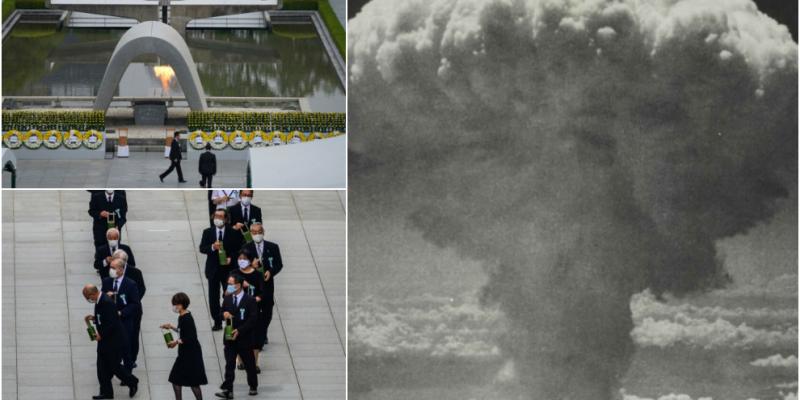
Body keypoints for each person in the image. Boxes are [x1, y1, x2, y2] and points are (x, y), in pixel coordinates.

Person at [83, 284, 139, 399]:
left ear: (93, 294)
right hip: (104, 341)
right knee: (101, 368)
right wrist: (94, 318)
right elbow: (105, 317)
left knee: (115, 367)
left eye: (88, 297)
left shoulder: (106, 302)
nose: (88, 300)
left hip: (113, 342)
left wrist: (101, 334)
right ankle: (106, 393)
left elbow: (113, 323)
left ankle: (132, 382)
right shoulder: (99, 300)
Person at [216, 273, 259, 399]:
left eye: (231, 284)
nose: (228, 286)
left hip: (244, 338)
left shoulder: (249, 300)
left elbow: (253, 319)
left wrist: (240, 330)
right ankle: (228, 390)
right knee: (229, 364)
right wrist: (223, 314)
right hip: (229, 338)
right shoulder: (228, 298)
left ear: (239, 285)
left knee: (249, 364)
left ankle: (253, 385)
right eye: (228, 283)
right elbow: (220, 313)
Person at [199, 209, 243, 331]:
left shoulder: (232, 232)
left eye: (220, 216)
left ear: (226, 219)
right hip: (213, 270)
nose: (217, 218)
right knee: (213, 297)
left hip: (228, 272)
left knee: (228, 295)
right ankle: (217, 320)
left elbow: (239, 249)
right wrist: (213, 247)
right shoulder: (208, 232)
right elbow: (202, 248)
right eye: (216, 216)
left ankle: (230, 318)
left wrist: (231, 258)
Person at [161, 292, 208, 400]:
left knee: (187, 381)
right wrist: (171, 327)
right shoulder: (182, 316)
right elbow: (182, 331)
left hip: (190, 355)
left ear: (182, 304)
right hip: (186, 354)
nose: (175, 307)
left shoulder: (187, 318)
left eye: (177, 304)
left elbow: (190, 337)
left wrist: (176, 342)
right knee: (183, 381)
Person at [242, 223, 282, 346]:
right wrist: (251, 266)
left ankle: (263, 332)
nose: (257, 234)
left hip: (267, 286)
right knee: (254, 312)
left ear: (263, 232)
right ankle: (258, 335)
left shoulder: (273, 247)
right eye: (254, 232)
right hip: (253, 287)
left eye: (259, 231)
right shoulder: (246, 248)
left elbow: (279, 264)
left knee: (267, 313)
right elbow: (241, 266)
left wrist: (271, 271)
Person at [101, 259, 142, 373]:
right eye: (111, 267)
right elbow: (101, 299)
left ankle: (128, 376)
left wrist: (122, 312)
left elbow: (135, 304)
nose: (111, 270)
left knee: (126, 349)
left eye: (114, 268)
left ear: (121, 269)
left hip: (124, 321)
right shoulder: (106, 281)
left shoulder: (130, 284)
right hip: (110, 322)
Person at [234, 250, 264, 373]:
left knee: (255, 337)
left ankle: (255, 362)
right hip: (238, 310)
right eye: (240, 258)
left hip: (253, 309)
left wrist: (258, 298)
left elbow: (263, 292)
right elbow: (227, 290)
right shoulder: (234, 274)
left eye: (244, 258)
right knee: (239, 335)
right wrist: (240, 285)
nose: (242, 260)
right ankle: (240, 360)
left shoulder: (257, 275)